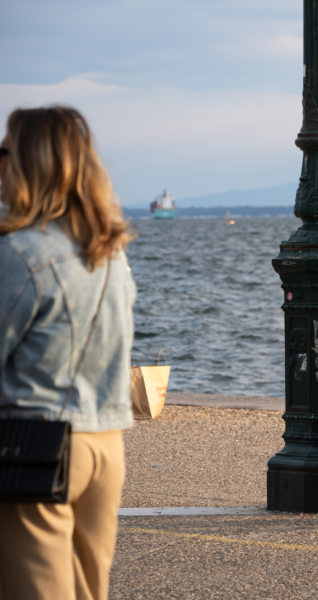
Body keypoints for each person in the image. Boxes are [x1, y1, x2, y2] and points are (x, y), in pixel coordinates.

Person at [0, 106, 136, 600]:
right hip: (104, 442)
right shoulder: (109, 253)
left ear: (28, 163)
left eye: (4, 152)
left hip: (35, 442)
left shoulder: (19, 254)